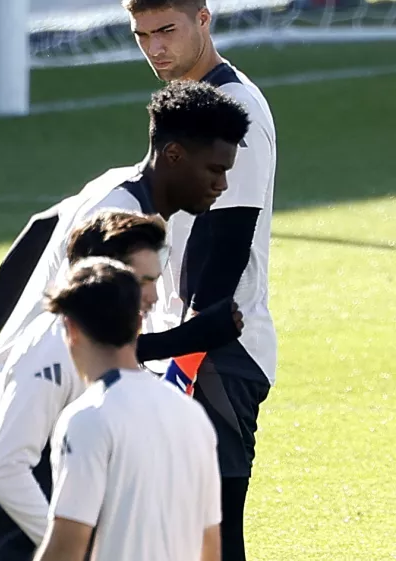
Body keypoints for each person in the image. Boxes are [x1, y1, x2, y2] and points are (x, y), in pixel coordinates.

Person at [0, 79, 250, 544]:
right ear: (173, 155)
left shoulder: (121, 191)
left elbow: (36, 230)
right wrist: (194, 336)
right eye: (214, 169)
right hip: (7, 410)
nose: (222, 184)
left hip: (28, 407)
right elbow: (94, 333)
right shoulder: (116, 218)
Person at [124, 1, 278, 558]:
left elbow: (229, 239)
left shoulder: (233, 106)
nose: (155, 48)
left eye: (167, 30)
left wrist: (184, 356)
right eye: (142, 35)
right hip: (183, 341)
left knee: (210, 530)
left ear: (204, 18)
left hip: (218, 349)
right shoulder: (184, 107)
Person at [0, 209, 166, 561]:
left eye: (156, 279)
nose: (154, 296)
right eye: (142, 281)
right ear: (101, 275)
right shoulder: (55, 345)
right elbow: (4, 467)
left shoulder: (106, 345)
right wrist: (73, 547)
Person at [32, 258, 221, 561]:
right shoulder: (193, 416)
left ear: (71, 329)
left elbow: (66, 546)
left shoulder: (88, 418)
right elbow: (209, 545)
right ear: (139, 322)